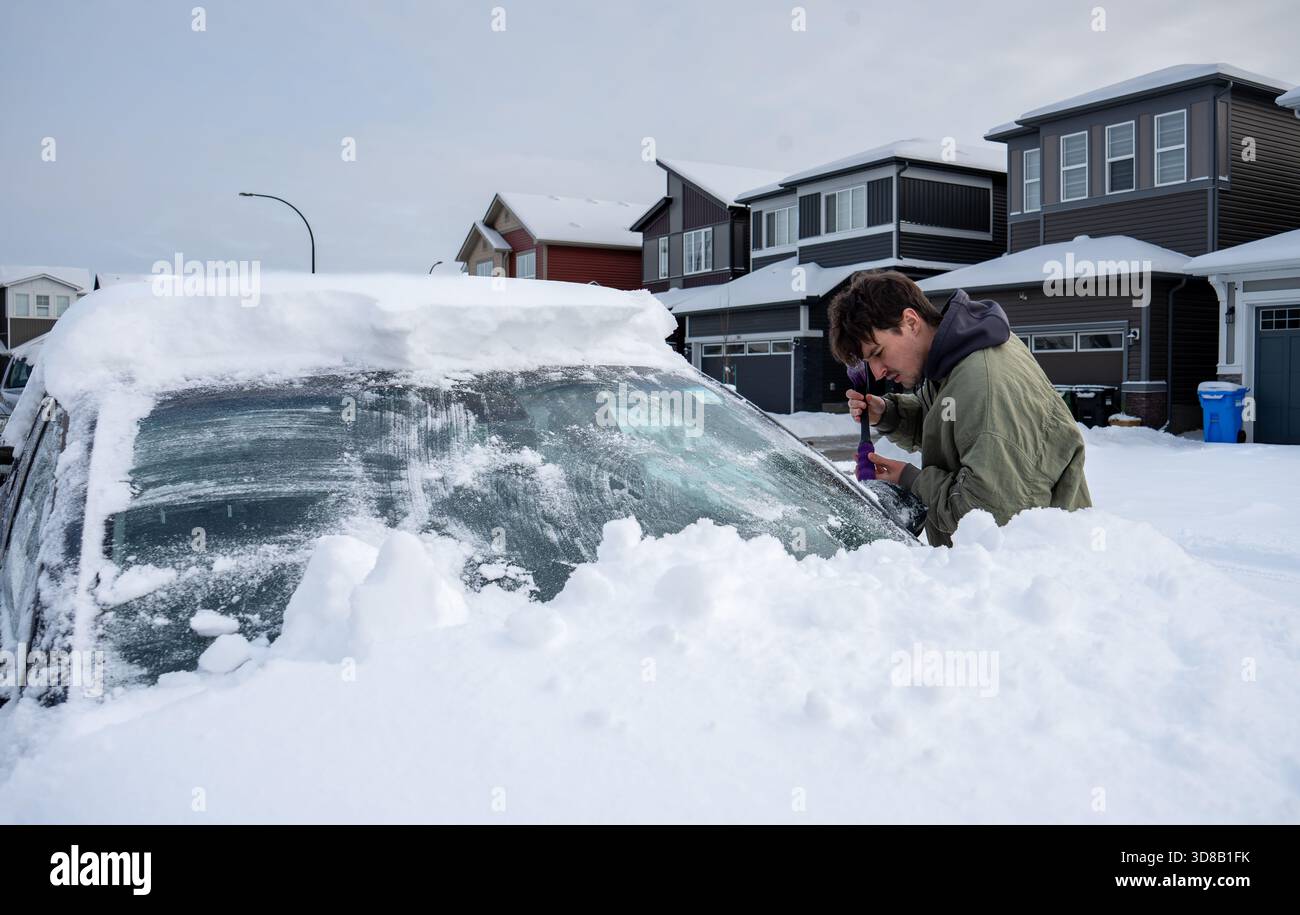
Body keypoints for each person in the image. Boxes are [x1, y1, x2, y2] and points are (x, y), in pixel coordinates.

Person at [828, 270, 1091, 547]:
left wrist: (911, 480)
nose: (877, 372)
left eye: (878, 353)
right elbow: (952, 422)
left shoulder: (984, 383)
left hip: (1028, 571)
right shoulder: (956, 358)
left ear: (910, 321)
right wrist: (887, 414)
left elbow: (985, 516)